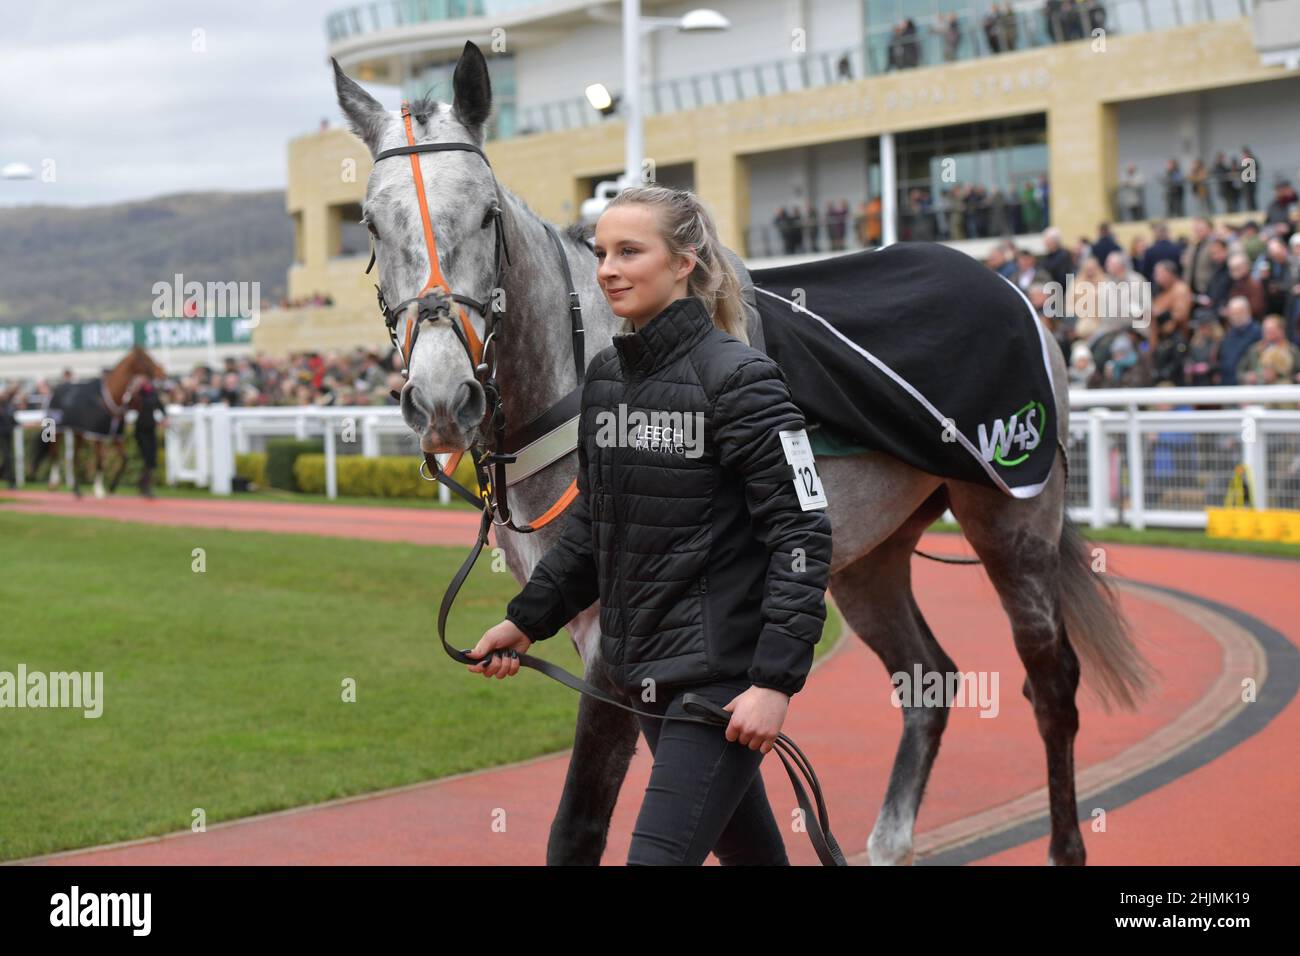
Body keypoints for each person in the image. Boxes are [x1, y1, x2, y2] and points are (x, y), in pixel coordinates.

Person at [469, 185, 833, 866]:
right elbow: (595, 529)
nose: (607, 267)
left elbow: (802, 536)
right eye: (602, 251)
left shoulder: (743, 379)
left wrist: (775, 683)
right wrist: (527, 619)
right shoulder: (607, 380)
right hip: (647, 679)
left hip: (720, 686)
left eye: (630, 251)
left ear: (684, 262)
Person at [132, 378, 165, 498]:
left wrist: (164, 419)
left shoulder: (153, 393)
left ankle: (143, 483)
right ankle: (145, 486)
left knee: (152, 459)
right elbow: (130, 405)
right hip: (140, 430)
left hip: (151, 429)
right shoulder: (138, 393)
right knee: (147, 458)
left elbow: (161, 407)